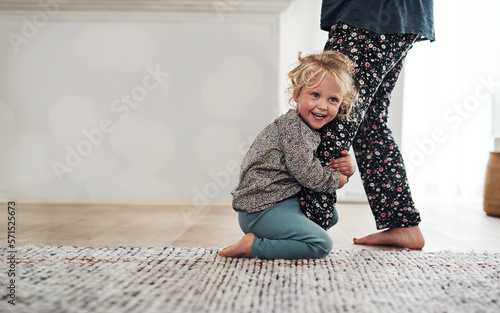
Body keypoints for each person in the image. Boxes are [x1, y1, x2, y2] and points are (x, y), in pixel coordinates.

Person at [298, 0, 435, 249]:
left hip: (370, 13)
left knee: (333, 114)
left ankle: (305, 224)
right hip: (395, 16)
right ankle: (403, 224)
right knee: (369, 120)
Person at [219, 51, 358, 259]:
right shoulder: (294, 128)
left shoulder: (309, 129)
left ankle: (282, 238)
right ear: (296, 95)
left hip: (283, 201)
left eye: (333, 99)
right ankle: (253, 245)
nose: (322, 105)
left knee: (329, 216)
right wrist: (337, 179)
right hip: (261, 209)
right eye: (315, 95)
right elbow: (306, 173)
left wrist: (349, 166)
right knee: (321, 244)